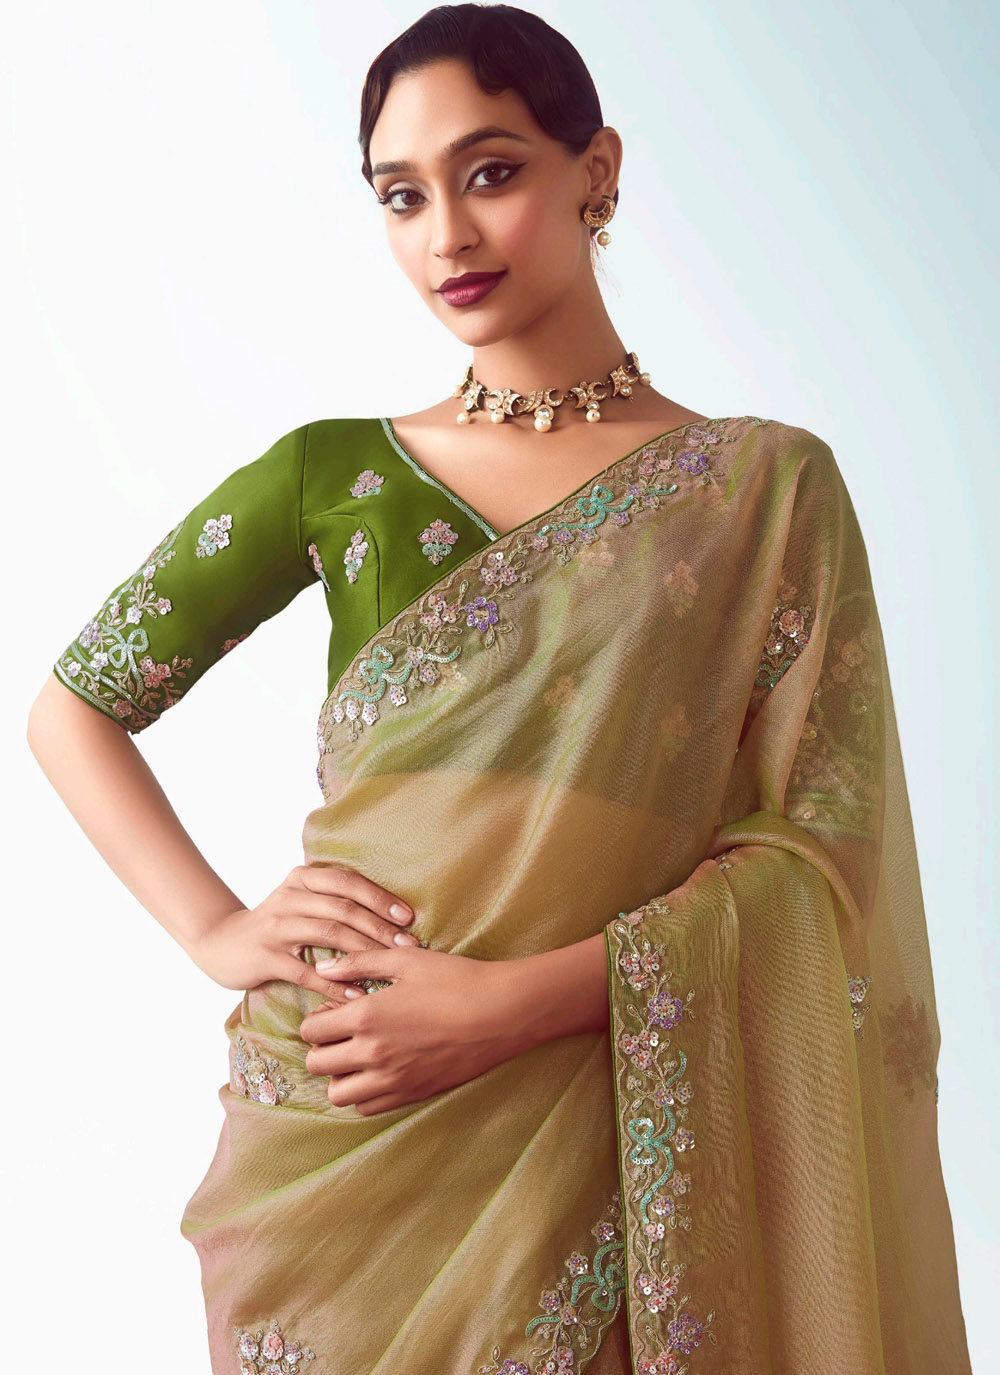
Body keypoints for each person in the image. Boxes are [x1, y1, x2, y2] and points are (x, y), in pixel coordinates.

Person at [27, 5, 973, 1373]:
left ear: (598, 170)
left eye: (490, 173)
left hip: (604, 1126)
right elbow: (74, 707)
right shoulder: (336, 476)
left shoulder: (763, 493)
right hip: (340, 1135)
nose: (447, 238)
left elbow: (819, 858)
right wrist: (217, 928)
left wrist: (511, 1004)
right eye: (401, 196)